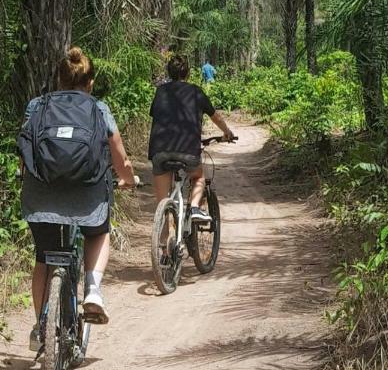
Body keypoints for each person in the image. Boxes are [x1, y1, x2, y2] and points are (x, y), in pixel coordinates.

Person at [21, 47, 136, 349]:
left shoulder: (36, 106)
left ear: (58, 79)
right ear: (90, 82)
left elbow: (25, 151)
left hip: (41, 196)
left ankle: (40, 326)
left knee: (43, 258)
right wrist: (127, 179)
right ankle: (94, 290)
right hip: (87, 196)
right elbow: (119, 155)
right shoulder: (99, 108)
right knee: (98, 232)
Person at [149, 55, 234, 223]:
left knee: (162, 201)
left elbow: (156, 114)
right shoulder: (196, 91)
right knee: (198, 178)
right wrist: (227, 132)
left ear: (169, 72)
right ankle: (195, 207)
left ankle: (164, 243)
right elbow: (215, 116)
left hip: (159, 150)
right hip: (187, 149)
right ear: (187, 73)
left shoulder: (161, 91)